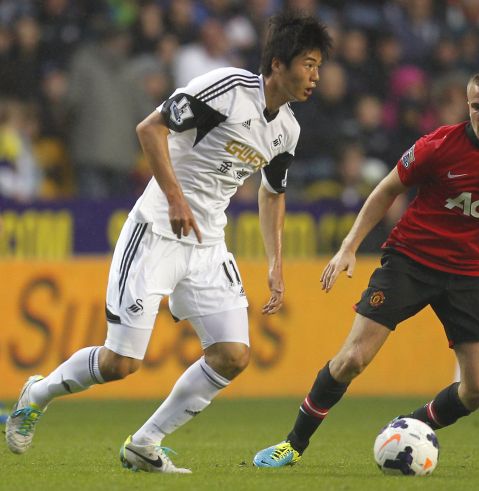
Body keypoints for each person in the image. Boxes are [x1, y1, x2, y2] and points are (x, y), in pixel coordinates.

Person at [5, 11, 332, 474]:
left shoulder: (287, 130)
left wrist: (276, 262)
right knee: (120, 363)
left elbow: (272, 193)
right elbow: (150, 129)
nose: (316, 76)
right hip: (157, 229)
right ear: (278, 64)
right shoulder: (227, 88)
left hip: (208, 244)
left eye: (320, 66)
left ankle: (144, 443)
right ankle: (36, 394)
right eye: (310, 64)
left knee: (232, 354)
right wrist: (176, 199)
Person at [252, 68, 479, 468]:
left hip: (469, 275)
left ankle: (408, 426)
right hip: (410, 262)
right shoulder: (439, 144)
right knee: (352, 359)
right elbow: (387, 189)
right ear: (468, 108)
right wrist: (349, 246)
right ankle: (292, 445)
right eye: (477, 107)